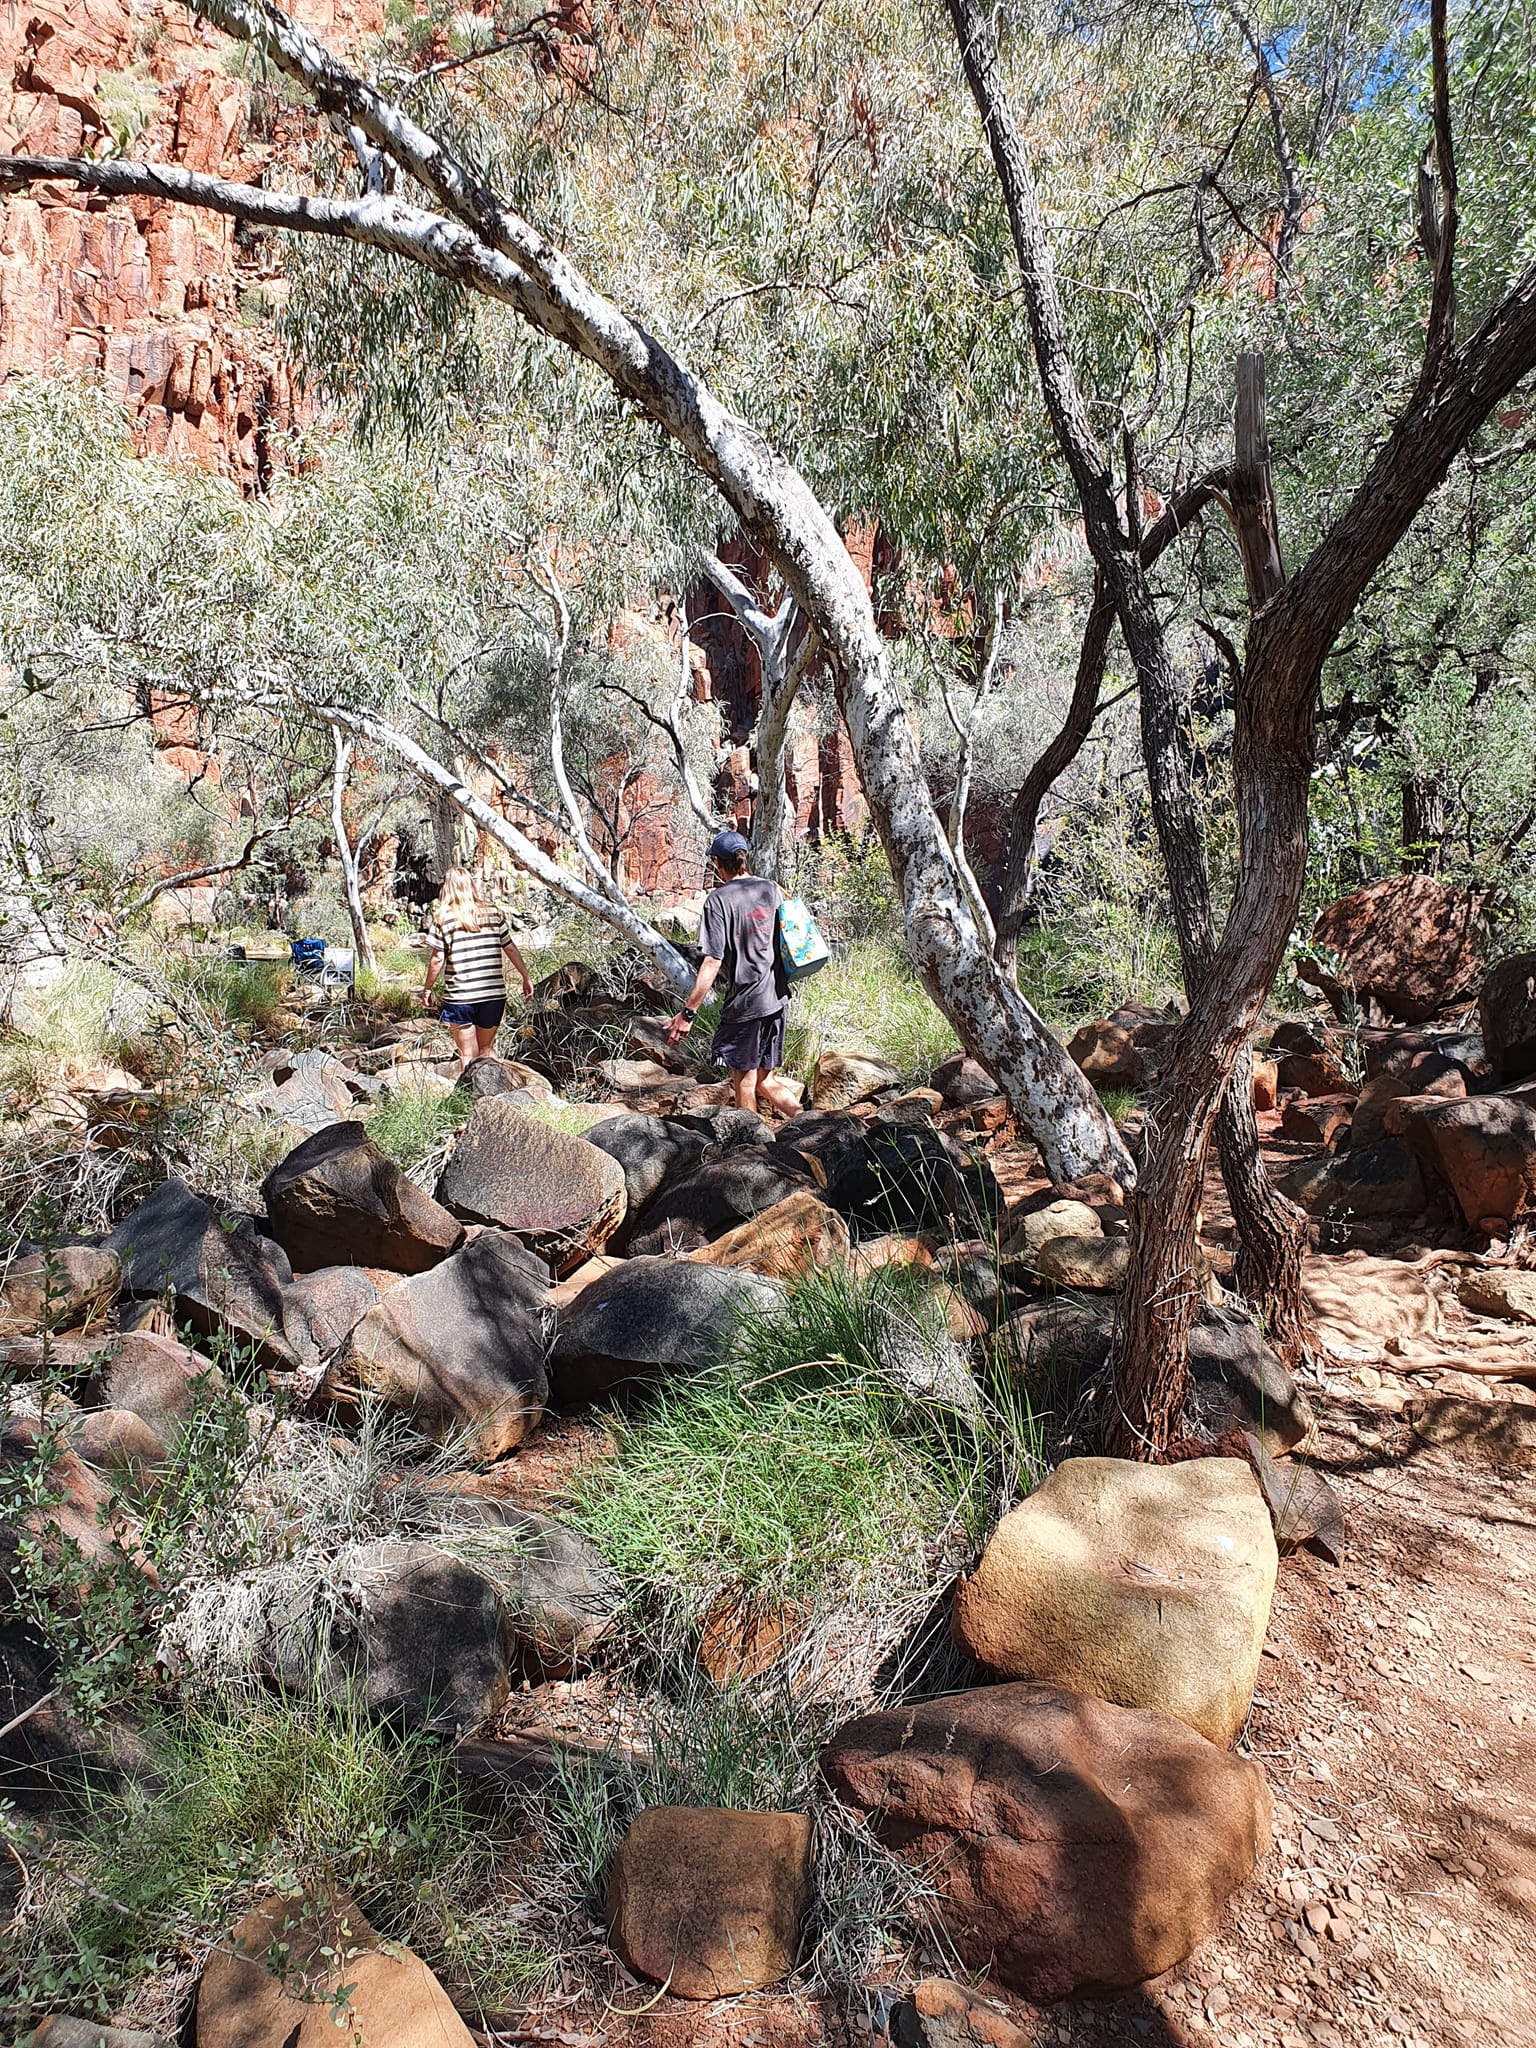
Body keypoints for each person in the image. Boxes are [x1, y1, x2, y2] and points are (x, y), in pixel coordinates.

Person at [664, 829, 801, 1118]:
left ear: (717, 862)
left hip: (747, 1004)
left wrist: (688, 1013)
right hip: (777, 998)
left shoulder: (718, 901)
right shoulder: (770, 888)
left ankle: (751, 1146)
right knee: (765, 1079)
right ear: (744, 859)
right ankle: (809, 1122)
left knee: (745, 1081)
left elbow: (712, 960)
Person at [422, 866, 534, 1068]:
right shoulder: (493, 912)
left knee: (467, 1054)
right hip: (493, 995)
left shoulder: (443, 918)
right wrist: (525, 977)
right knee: (486, 1049)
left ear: (447, 888)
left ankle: (468, 1099)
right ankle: (494, 1095)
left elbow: (437, 958)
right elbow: (510, 948)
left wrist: (427, 989)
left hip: (461, 997)